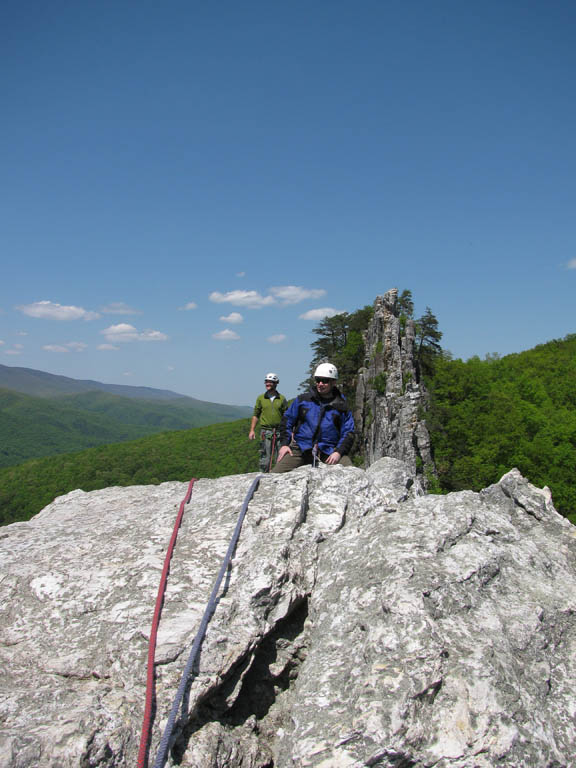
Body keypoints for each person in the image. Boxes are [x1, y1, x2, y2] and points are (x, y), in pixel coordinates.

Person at [272, 363, 355, 473]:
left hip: (328, 451)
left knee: (352, 472)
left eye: (324, 381)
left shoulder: (341, 406)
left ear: (333, 382)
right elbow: (287, 420)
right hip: (301, 449)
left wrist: (338, 452)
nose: (320, 384)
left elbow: (348, 432)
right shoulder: (303, 400)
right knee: (273, 476)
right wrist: (284, 445)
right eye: (318, 380)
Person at [249, 372, 288, 472]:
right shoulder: (261, 398)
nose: (268, 384)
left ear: (276, 383)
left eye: (270, 382)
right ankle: (264, 475)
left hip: (279, 431)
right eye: (266, 382)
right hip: (265, 432)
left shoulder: (282, 399)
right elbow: (256, 414)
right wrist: (252, 430)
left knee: (280, 456)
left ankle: (279, 474)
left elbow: (287, 416)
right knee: (265, 457)